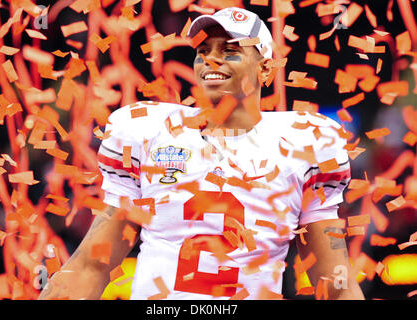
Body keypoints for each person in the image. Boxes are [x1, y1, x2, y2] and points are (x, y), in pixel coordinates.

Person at [38, 7, 365, 300]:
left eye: (231, 50)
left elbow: (334, 281)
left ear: (265, 69)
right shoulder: (147, 133)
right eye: (203, 50)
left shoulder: (304, 145)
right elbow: (92, 266)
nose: (211, 59)